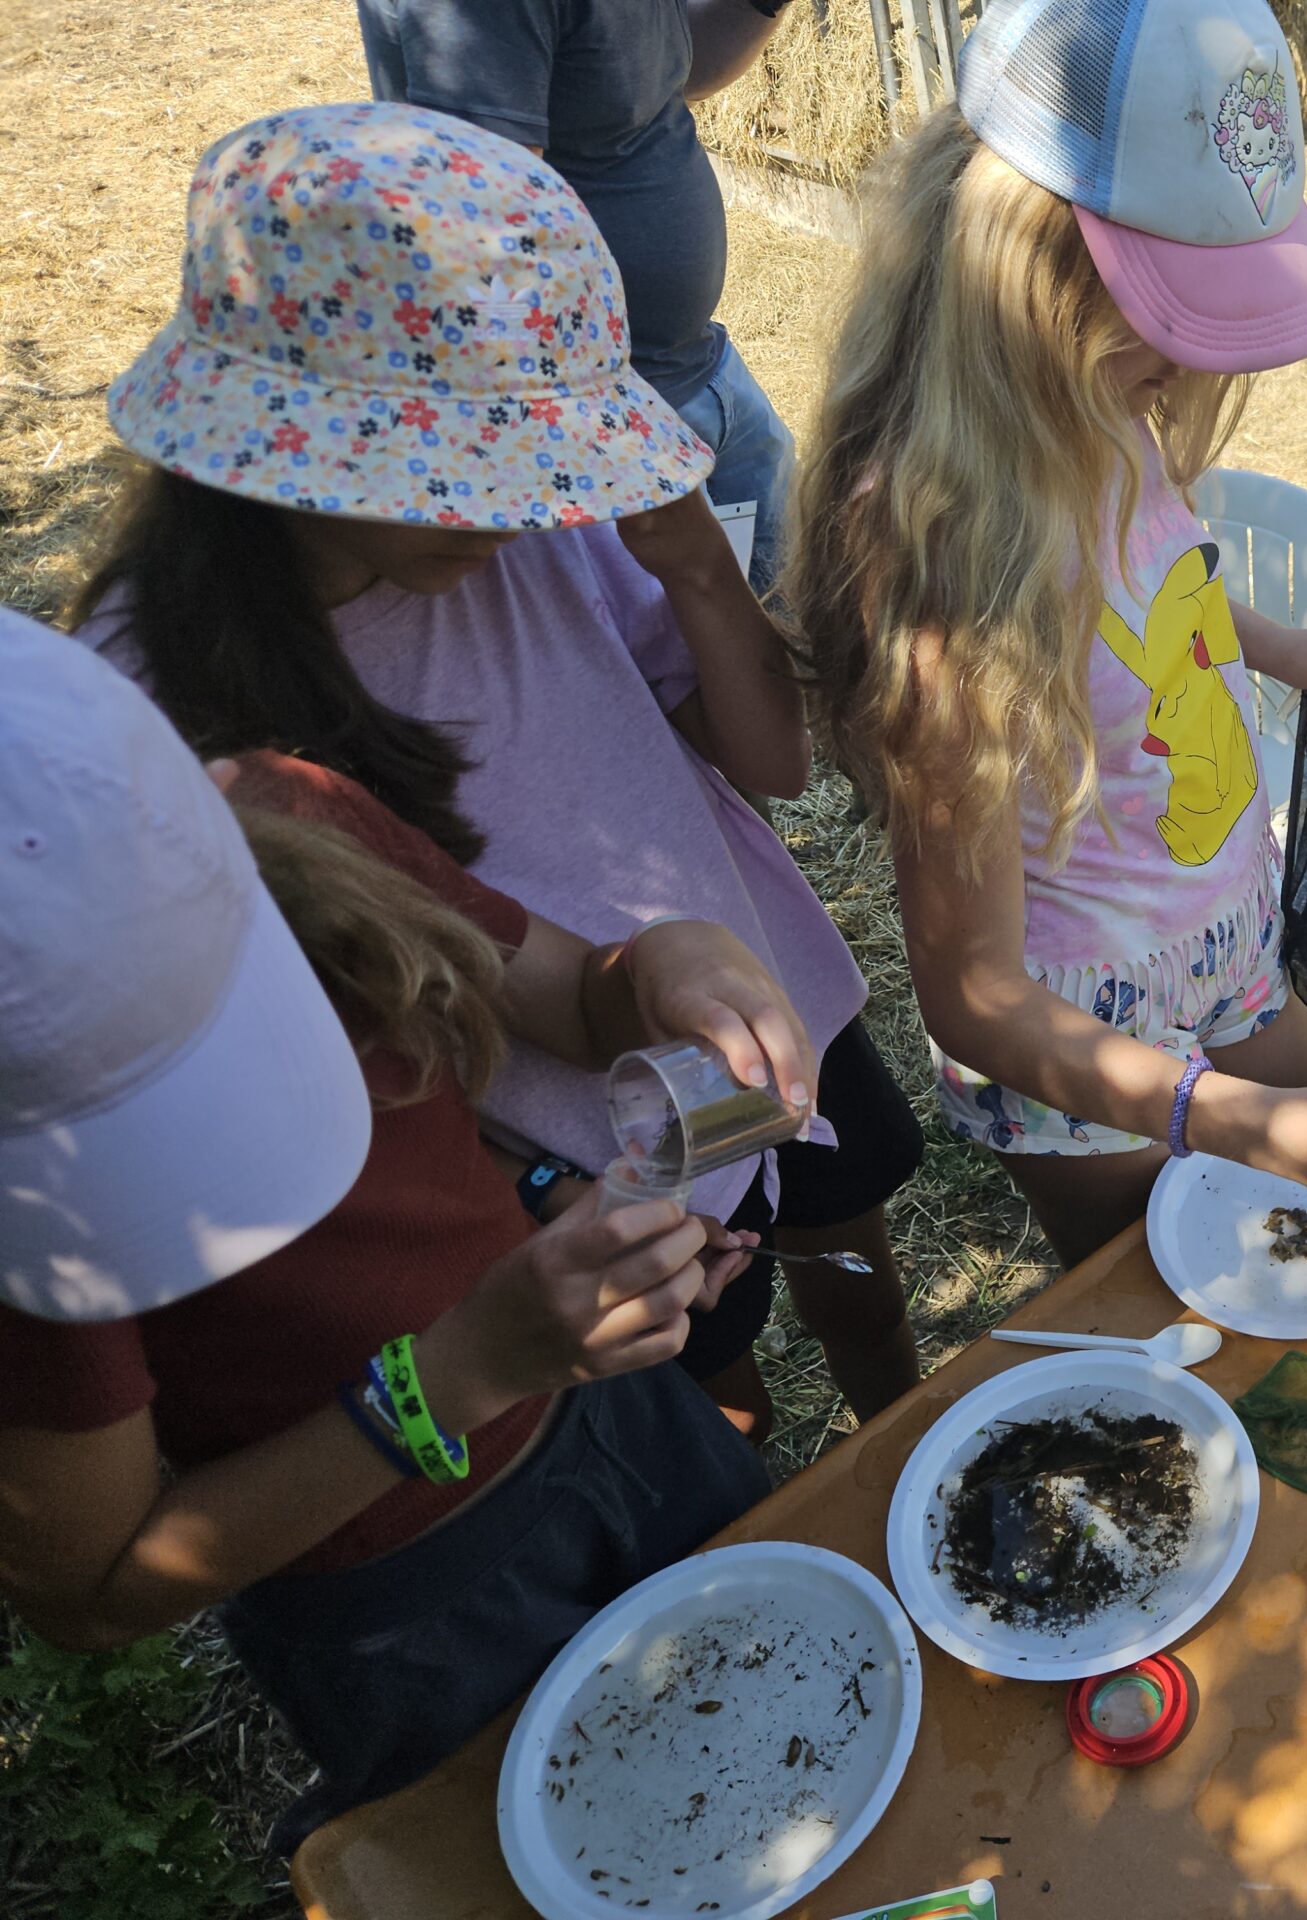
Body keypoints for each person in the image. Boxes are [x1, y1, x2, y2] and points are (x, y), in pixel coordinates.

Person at [88, 102, 923, 1437]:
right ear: (275, 438)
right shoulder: (153, 694)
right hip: (575, 1132)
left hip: (758, 1003)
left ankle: (905, 1433)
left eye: (525, 464)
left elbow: (770, 760)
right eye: (448, 470)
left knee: (855, 1277)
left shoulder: (535, 526)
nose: (499, 506)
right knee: (708, 1396)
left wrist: (701, 570)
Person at [0, 617, 806, 1851]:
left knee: (793, 1710)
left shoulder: (296, 823)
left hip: (606, 1412)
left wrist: (663, 961)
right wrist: (457, 1373)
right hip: (399, 1588)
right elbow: (94, 1587)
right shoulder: (29, 1242)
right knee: (589, 1849)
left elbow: (560, 998)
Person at [790, 0, 1307, 1265]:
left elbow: (1136, 597)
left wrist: (1274, 643)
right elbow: (976, 997)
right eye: (1172, 316)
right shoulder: (937, 552)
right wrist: (1240, 1127)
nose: (1193, 373)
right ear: (1029, 267)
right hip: (1083, 1043)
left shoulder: (1096, 402)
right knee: (1172, 1293)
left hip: (1221, 929)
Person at [357, 0, 804, 595]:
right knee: (673, 667)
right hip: (600, 418)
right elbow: (485, 225)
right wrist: (566, 438)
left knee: (785, 632)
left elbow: (660, 75)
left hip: (699, 373)